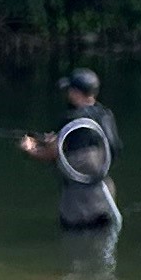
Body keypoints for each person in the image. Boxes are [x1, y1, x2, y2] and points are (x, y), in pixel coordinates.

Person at [19, 65, 119, 233]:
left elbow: (51, 153)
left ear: (76, 93)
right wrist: (56, 139)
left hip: (78, 206)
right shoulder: (105, 114)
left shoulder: (71, 119)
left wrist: (30, 148)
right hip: (104, 197)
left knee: (77, 242)